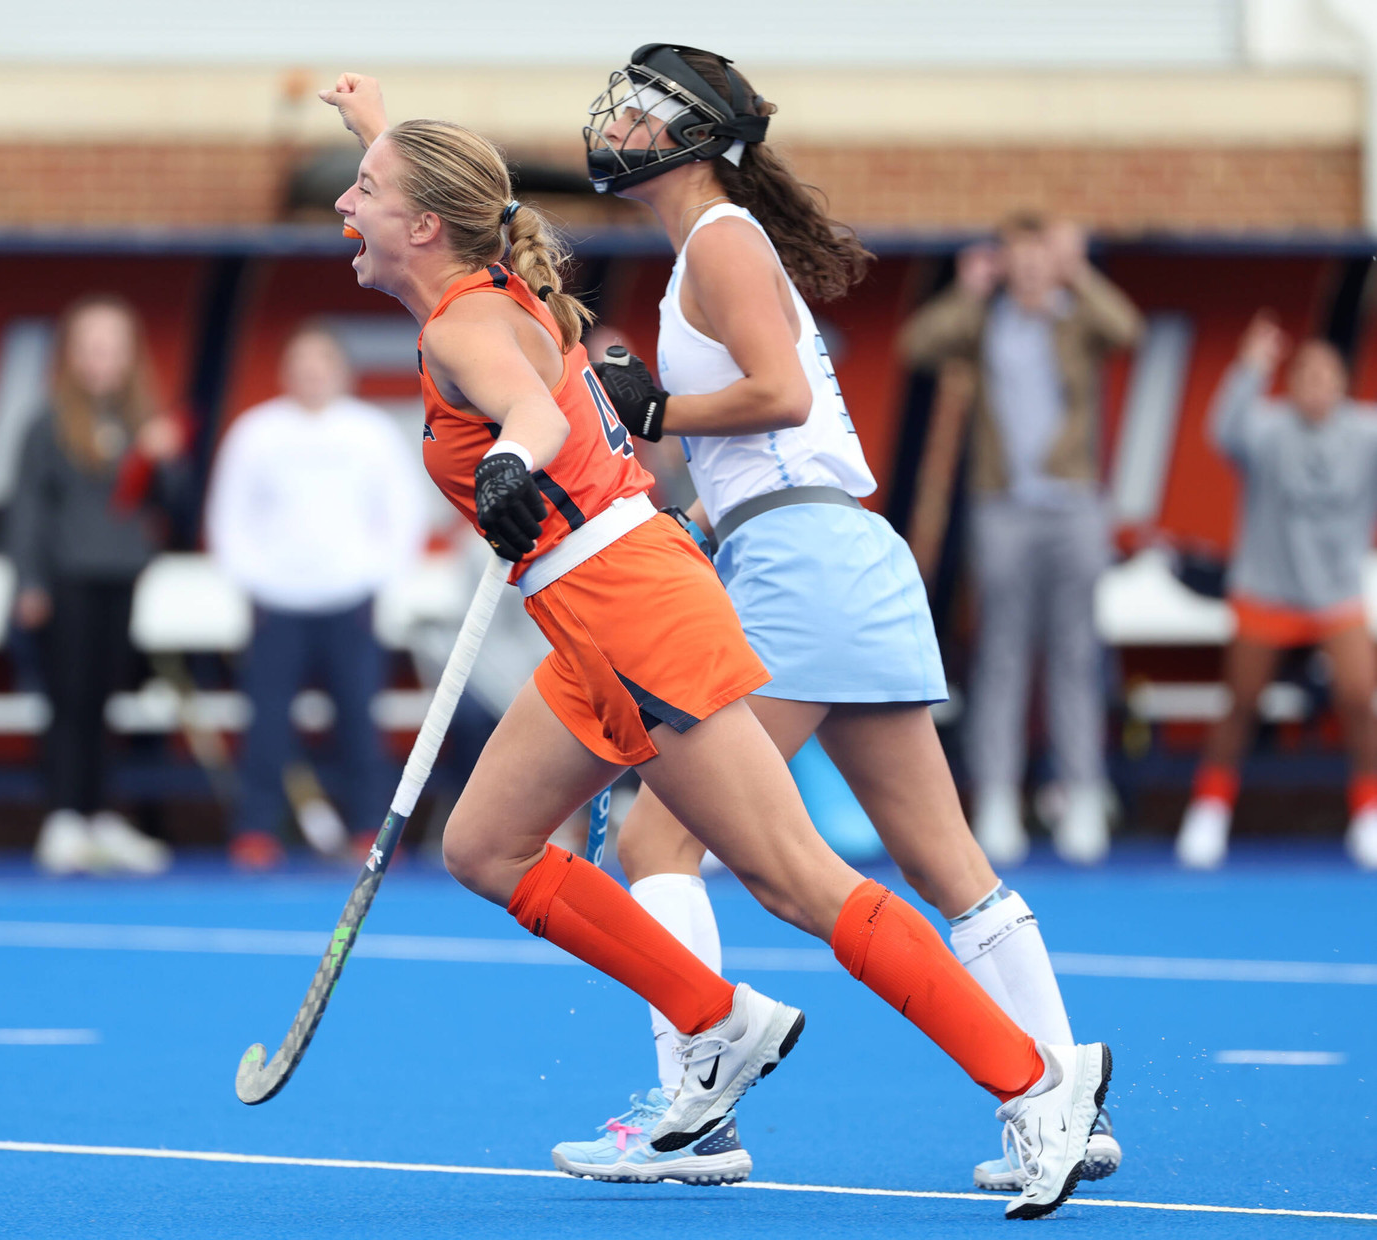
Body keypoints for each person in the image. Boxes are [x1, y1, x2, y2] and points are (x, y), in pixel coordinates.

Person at [321, 70, 1109, 1221]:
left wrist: (507, 462)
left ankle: (1038, 1082)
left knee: (797, 879)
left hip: (633, 602)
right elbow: (443, 204)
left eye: (363, 189)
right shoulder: (482, 279)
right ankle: (716, 1022)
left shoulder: (466, 321)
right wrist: (378, 129)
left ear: (424, 226)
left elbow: (533, 415)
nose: (345, 205)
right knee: (487, 845)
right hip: (593, 608)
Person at [541, 43, 1118, 1196]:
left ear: (697, 136)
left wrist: (654, 405)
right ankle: (1061, 1081)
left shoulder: (720, 239)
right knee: (942, 857)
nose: (624, 125)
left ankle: (694, 1114)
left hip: (806, 564)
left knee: (656, 841)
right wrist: (694, 510)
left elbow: (782, 395)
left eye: (647, 111)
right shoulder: (714, 246)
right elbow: (773, 442)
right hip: (831, 547)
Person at [901, 213, 1142, 866]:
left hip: (1074, 507)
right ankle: (999, 797)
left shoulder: (1076, 316)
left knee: (1075, 652)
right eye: (1020, 257)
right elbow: (918, 344)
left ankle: (1083, 793)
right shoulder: (984, 318)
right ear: (1006, 261)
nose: (1031, 268)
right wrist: (968, 290)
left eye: (1041, 257)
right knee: (1002, 654)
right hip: (1002, 506)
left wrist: (1079, 270)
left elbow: (1129, 330)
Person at [206, 321, 425, 869]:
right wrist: (254, 580)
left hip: (350, 601)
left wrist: (376, 576)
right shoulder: (255, 431)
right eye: (300, 362)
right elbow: (228, 516)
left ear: (341, 371)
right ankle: (256, 829)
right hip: (275, 603)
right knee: (267, 722)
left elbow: (404, 512)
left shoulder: (371, 432)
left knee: (359, 718)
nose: (311, 373)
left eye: (321, 361)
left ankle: (368, 829)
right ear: (286, 371)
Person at [1177, 313, 1377, 871]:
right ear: (1291, 386)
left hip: (1336, 594)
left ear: (1343, 384)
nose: (1316, 386)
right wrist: (1248, 368)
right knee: (1241, 705)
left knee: (1360, 700)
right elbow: (1221, 430)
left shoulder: (1366, 435)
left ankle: (1369, 813)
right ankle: (1210, 811)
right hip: (1266, 590)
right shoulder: (1265, 430)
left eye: (1326, 376)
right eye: (1305, 375)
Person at [5, 295, 184, 876]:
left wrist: (167, 460)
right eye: (90, 346)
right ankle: (62, 817)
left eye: (112, 346)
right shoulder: (48, 423)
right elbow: (27, 509)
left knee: (105, 701)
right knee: (69, 702)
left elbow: (176, 507)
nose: (101, 358)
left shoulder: (142, 423)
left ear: (131, 356)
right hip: (66, 583)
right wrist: (29, 582)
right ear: (70, 355)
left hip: (121, 579)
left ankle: (95, 813)